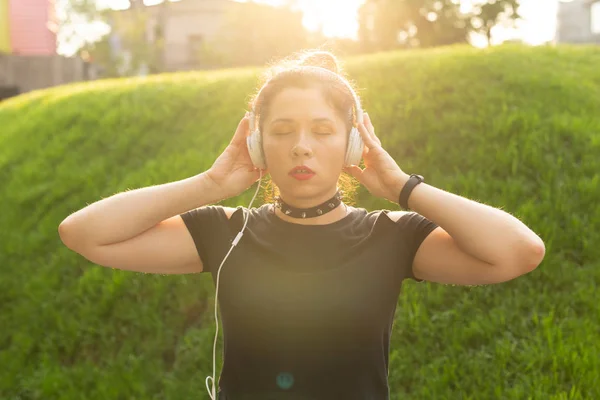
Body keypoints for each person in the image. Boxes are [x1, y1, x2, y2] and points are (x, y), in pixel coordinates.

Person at [58, 50, 545, 400]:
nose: (301, 147)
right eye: (282, 131)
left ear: (353, 145)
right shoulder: (225, 233)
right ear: (257, 146)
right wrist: (209, 184)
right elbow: (83, 234)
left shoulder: (392, 236)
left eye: (323, 130)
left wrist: (402, 186)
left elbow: (518, 252)